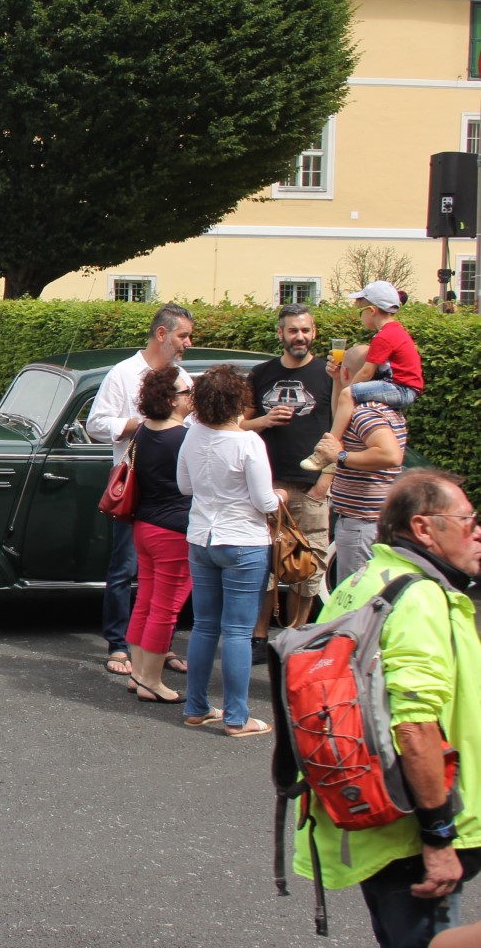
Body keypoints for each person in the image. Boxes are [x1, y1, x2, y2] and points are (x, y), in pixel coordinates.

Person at [292, 469, 481, 948]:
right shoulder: (418, 599)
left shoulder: (362, 582)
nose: (476, 530)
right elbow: (415, 728)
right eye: (467, 520)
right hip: (414, 827)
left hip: (366, 809)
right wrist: (438, 836)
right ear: (423, 528)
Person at [86, 303, 194, 676]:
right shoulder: (124, 374)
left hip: (176, 488)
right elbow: (96, 425)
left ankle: (158, 647)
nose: (187, 343)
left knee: (168, 575)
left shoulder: (182, 376)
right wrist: (147, 423)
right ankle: (118, 645)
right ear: (161, 334)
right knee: (125, 568)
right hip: (135, 482)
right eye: (183, 335)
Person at [176, 365, 281, 737]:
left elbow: (185, 487)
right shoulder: (248, 442)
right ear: (239, 402)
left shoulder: (192, 436)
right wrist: (280, 497)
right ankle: (236, 717)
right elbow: (264, 500)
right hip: (243, 540)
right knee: (237, 632)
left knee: (204, 626)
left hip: (201, 536)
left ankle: (197, 706)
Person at [242, 302, 334, 630]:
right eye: (293, 330)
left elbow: (341, 432)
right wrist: (265, 420)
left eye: (306, 330)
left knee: (307, 567)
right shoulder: (262, 374)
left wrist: (326, 478)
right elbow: (238, 425)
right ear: (280, 333)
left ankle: (296, 636)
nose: (300, 336)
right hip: (268, 484)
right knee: (265, 565)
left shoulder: (328, 375)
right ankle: (259, 636)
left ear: (314, 333)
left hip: (311, 487)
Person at [122, 366, 195, 703]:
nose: (190, 397)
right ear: (170, 399)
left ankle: (139, 674)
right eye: (185, 392)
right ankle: (152, 680)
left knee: (145, 603)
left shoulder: (144, 431)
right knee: (165, 609)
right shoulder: (182, 438)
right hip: (173, 530)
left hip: (145, 524)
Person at [313, 343, 408, 586]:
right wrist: (337, 381)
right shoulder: (379, 407)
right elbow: (341, 421)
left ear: (349, 373)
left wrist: (341, 457)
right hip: (370, 521)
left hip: (362, 524)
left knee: (357, 603)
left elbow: (390, 455)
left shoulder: (365, 413)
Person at [306, 279, 424, 469]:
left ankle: (328, 447)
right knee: (349, 396)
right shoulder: (395, 331)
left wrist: (350, 389)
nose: (360, 317)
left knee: (348, 394)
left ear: (372, 311)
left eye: (361, 311)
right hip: (404, 388)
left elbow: (367, 371)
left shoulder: (384, 336)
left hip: (402, 389)